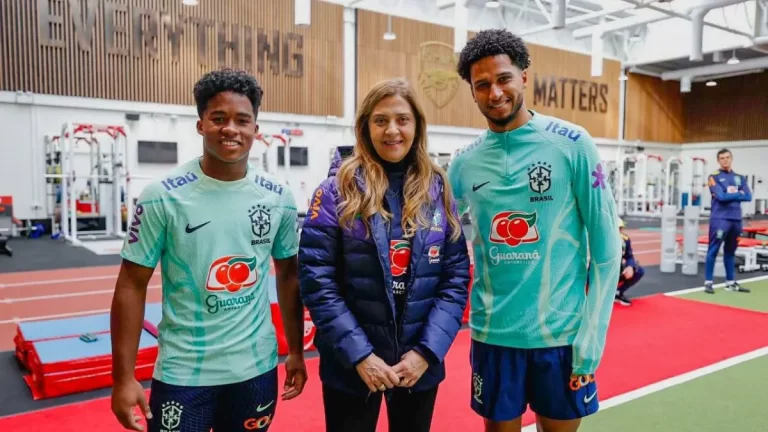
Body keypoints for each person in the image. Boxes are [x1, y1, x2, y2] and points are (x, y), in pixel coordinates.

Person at [110, 68, 307, 432]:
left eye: (242, 120)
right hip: (183, 372)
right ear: (201, 125)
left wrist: (295, 351)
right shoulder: (162, 196)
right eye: (219, 118)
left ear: (255, 130)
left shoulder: (278, 198)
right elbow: (130, 286)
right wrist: (122, 378)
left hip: (255, 370)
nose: (230, 128)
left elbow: (289, 275)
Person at [449, 29, 622, 432]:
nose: (495, 93)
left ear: (524, 76)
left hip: (561, 338)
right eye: (482, 85)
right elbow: (443, 244)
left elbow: (607, 250)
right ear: (472, 93)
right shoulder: (463, 164)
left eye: (504, 78)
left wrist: (591, 341)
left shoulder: (572, 145)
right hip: (494, 335)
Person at [298, 78, 471, 432]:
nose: (392, 130)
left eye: (402, 120)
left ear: (417, 126)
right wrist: (360, 355)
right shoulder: (335, 192)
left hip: (417, 363)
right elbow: (317, 281)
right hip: (351, 365)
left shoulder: (437, 188)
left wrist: (426, 353)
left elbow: (454, 280)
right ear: (365, 127)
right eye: (380, 120)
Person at [704, 148, 752, 294]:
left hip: (736, 219)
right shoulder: (714, 177)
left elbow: (748, 196)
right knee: (713, 250)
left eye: (727, 157)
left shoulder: (740, 177)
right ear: (718, 161)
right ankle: (708, 282)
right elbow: (721, 197)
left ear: (731, 159)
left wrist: (730, 193)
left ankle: (730, 283)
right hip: (720, 219)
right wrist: (739, 193)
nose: (725, 160)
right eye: (722, 158)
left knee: (730, 251)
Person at [616, 219, 644, 306]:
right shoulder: (602, 240)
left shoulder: (625, 239)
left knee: (639, 270)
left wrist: (630, 266)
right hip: (601, 271)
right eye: (617, 228)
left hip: (617, 268)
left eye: (620, 228)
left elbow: (629, 256)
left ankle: (618, 293)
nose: (619, 231)